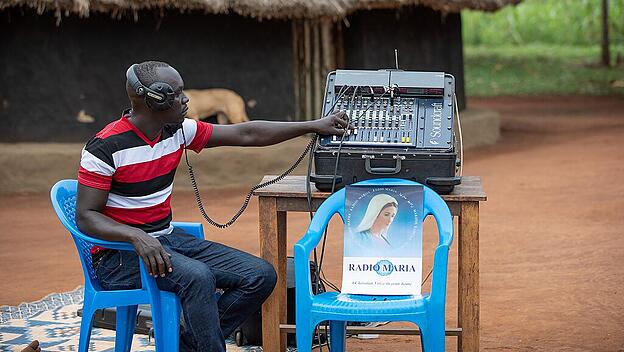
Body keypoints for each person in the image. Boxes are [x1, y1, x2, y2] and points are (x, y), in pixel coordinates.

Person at [75, 61, 348, 352]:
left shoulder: (177, 131)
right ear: (155, 100)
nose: (186, 99)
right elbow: (86, 216)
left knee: (260, 275)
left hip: (165, 239)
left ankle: (186, 345)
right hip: (118, 258)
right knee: (198, 278)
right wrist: (135, 236)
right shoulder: (104, 147)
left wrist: (313, 126)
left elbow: (247, 134)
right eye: (177, 94)